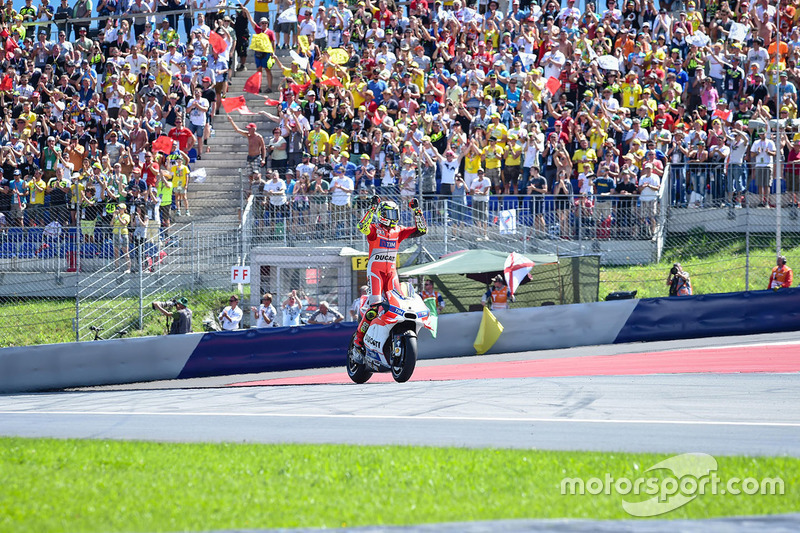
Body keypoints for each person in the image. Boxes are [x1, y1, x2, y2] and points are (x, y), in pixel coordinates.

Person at [353, 196, 427, 353]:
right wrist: (372, 208)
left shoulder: (398, 231)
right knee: (374, 308)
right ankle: (358, 340)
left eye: (395, 214)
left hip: (391, 273)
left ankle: (391, 336)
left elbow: (421, 230)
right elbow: (361, 226)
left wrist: (417, 211)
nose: (393, 218)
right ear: (381, 214)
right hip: (375, 272)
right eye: (389, 214)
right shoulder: (374, 230)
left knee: (398, 305)